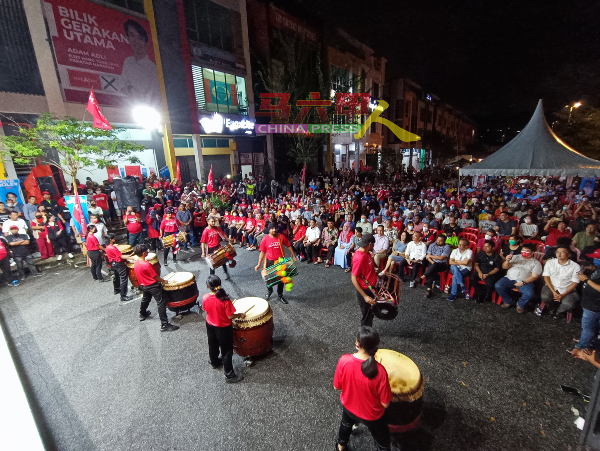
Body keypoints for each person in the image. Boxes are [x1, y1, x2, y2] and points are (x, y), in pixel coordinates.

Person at [333, 326, 392, 451]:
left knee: (345, 425)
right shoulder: (380, 371)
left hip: (348, 408)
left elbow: (336, 386)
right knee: (383, 442)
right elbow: (385, 404)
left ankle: (340, 447)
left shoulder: (344, 360)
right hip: (372, 416)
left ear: (357, 344)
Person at [202, 275, 246, 383]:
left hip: (210, 324)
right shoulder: (225, 300)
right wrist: (240, 315)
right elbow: (230, 316)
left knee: (212, 344)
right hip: (223, 328)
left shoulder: (205, 298)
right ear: (219, 285)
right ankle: (229, 375)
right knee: (226, 350)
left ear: (208, 286)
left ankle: (214, 362)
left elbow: (206, 310)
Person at [132, 244, 179, 332]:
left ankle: (142, 314)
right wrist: (164, 281)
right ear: (143, 253)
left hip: (143, 285)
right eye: (146, 251)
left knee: (145, 299)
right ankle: (164, 325)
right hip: (152, 286)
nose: (147, 252)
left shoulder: (136, 262)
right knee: (161, 303)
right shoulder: (146, 264)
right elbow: (155, 276)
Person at [255, 223, 297, 304]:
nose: (274, 230)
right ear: (269, 229)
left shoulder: (281, 236)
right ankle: (269, 291)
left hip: (280, 262)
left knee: (281, 280)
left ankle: (280, 295)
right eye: (272, 228)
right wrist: (259, 264)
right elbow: (262, 253)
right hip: (270, 262)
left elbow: (288, 245)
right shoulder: (265, 239)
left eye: (275, 228)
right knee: (269, 279)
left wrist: (294, 256)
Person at [496, 243, 542, 313]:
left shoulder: (536, 263)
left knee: (529, 293)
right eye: (523, 250)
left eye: (527, 251)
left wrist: (523, 282)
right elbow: (504, 267)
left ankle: (520, 304)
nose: (524, 252)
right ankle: (508, 301)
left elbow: (534, 276)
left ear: (533, 252)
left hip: (525, 281)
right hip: (510, 278)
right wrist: (507, 260)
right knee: (498, 285)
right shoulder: (515, 257)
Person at [537, 245, 581, 318]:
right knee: (545, 297)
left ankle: (558, 312)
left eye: (562, 252)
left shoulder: (575, 266)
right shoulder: (550, 262)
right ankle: (552, 309)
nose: (559, 254)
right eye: (557, 252)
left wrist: (563, 294)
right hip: (552, 286)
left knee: (568, 304)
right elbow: (546, 278)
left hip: (567, 288)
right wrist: (554, 292)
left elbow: (575, 282)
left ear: (569, 255)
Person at [572, 257, 600, 355]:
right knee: (594, 327)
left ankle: (581, 347)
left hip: (595, 306)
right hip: (591, 303)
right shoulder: (597, 268)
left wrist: (586, 280)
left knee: (588, 328)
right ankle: (590, 342)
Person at [350, 233, 377, 327]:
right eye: (373, 245)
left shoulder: (367, 252)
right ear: (370, 244)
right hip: (365, 289)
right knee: (366, 316)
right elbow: (353, 278)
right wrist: (365, 296)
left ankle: (367, 334)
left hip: (371, 287)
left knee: (371, 313)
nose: (373, 247)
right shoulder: (359, 258)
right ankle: (361, 339)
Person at [105, 234, 134, 302]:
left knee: (116, 277)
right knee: (123, 279)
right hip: (119, 264)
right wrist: (131, 257)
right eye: (113, 238)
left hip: (113, 264)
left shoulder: (107, 247)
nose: (114, 239)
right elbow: (120, 256)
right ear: (110, 239)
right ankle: (123, 296)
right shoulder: (113, 248)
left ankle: (116, 289)